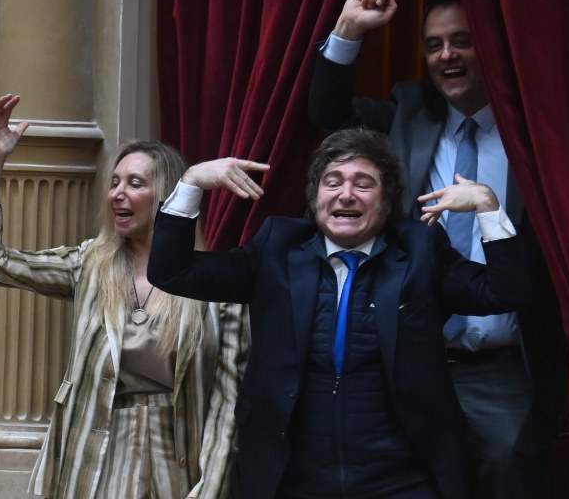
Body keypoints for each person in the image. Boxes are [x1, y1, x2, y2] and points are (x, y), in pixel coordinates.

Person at [148, 127, 531, 499]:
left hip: (403, 478)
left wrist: (487, 206)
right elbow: (173, 272)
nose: (346, 195)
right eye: (332, 182)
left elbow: (504, 291)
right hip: (294, 476)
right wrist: (192, 182)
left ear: (386, 201)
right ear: (314, 197)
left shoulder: (420, 251)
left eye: (363, 184)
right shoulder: (277, 248)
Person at [307, 0, 569, 498]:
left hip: (504, 367)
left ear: (489, 47)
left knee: (506, 474)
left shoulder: (536, 133)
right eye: (434, 44)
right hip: (409, 360)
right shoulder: (408, 113)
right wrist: (350, 28)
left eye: (462, 41)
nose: (447, 55)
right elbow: (327, 114)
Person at [0, 94, 249, 499]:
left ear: (168, 196)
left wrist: (210, 489)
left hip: (176, 466)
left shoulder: (219, 289)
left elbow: (227, 411)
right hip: (93, 460)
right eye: (114, 182)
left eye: (135, 183)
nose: (117, 193)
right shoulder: (89, 265)